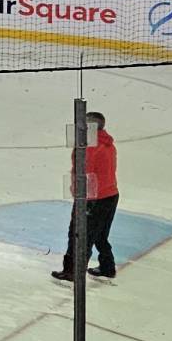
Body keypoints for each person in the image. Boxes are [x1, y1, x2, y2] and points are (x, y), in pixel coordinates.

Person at [56, 113, 120, 282]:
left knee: (79, 234)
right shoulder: (107, 143)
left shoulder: (89, 147)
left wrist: (77, 192)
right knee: (99, 234)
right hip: (110, 195)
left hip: (92, 198)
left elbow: (84, 172)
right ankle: (107, 266)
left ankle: (73, 271)